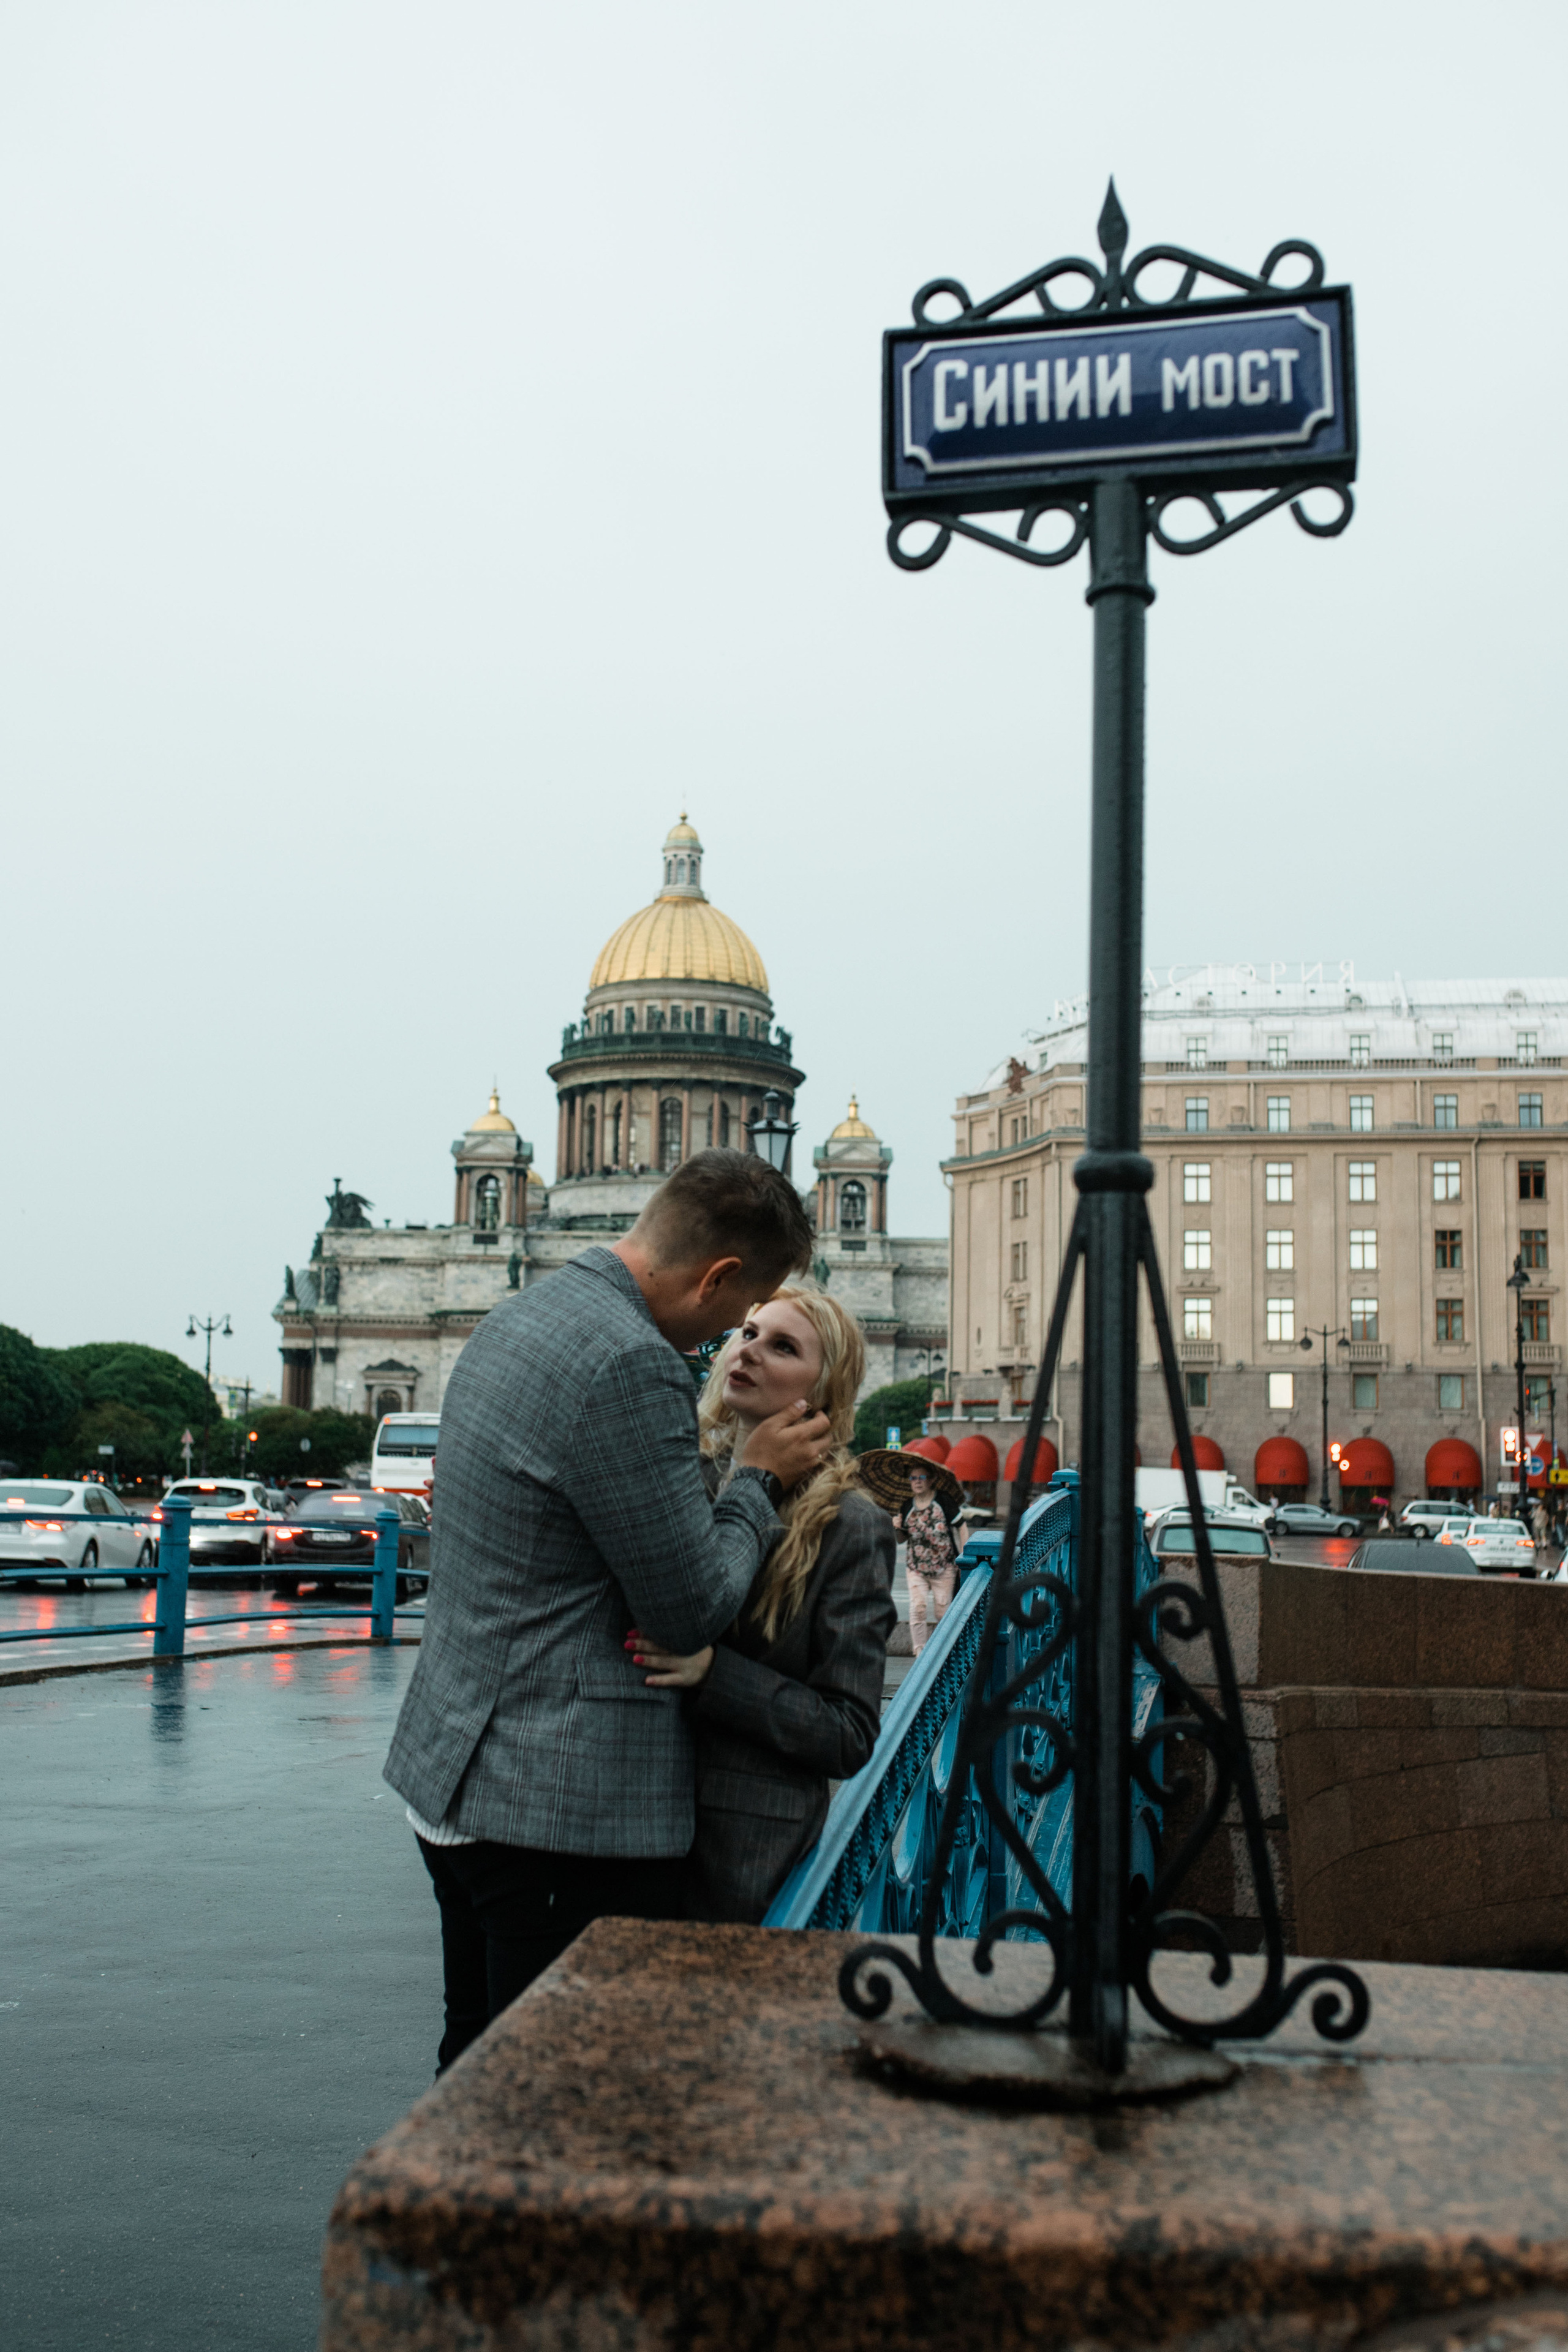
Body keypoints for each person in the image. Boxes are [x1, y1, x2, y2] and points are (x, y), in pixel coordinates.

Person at [383, 1150, 827, 2071]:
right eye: (737, 1315)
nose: (726, 1342)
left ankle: (446, 2214)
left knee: (475, 2064)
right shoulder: (632, 1361)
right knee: (553, 2092)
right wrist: (753, 1482)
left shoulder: (521, 1316)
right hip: (557, 1813)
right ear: (718, 1276)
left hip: (454, 1775)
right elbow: (689, 1606)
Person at [628, 1287, 895, 1924]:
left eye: (782, 1347)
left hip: (740, 1857)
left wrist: (714, 1675)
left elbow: (849, 1732)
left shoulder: (848, 1526)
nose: (747, 1352)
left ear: (824, 1390)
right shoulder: (674, 1478)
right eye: (746, 1333)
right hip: (622, 1825)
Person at [894, 1461, 963, 1654]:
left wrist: (964, 1555)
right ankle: (920, 1653)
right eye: (913, 1478)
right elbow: (901, 1539)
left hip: (944, 1567)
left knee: (943, 1612)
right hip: (916, 1568)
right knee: (918, 1607)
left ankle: (942, 1653)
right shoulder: (907, 1506)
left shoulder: (943, 1500)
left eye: (922, 1477)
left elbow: (961, 1525)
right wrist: (897, 1527)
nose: (917, 1482)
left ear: (931, 1480)